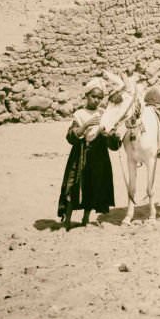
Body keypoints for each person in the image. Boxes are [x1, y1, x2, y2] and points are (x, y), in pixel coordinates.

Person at [57, 77, 115, 230]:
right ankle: (67, 220)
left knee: (93, 185)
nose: (96, 100)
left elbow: (112, 140)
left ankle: (86, 218)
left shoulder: (104, 114)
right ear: (87, 96)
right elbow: (70, 136)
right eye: (93, 96)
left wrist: (109, 134)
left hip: (99, 155)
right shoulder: (79, 114)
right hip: (80, 154)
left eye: (100, 98)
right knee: (73, 185)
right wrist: (85, 126)